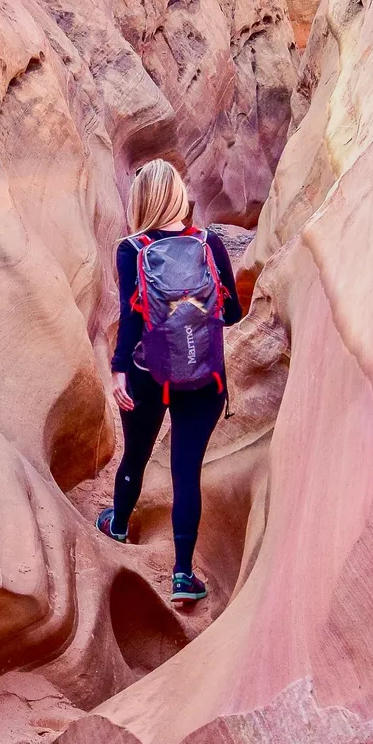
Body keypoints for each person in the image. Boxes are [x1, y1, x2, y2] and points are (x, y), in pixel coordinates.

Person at [95, 159, 243, 603]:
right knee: (186, 473)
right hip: (204, 380)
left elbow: (130, 319)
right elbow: (233, 312)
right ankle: (182, 576)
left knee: (135, 456)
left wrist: (119, 370)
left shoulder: (131, 249)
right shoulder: (208, 243)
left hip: (148, 377)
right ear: (179, 194)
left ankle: (118, 524)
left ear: (140, 199)